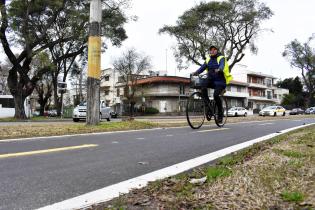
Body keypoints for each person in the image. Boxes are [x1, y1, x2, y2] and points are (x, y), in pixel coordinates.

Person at [192, 46, 232, 123]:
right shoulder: (208, 59)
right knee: (203, 86)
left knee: (216, 95)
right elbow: (202, 67)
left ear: (217, 51)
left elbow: (222, 65)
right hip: (211, 80)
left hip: (220, 81)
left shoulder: (221, 58)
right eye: (211, 50)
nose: (212, 51)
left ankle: (220, 115)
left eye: (214, 50)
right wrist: (196, 72)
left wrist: (219, 69)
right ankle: (208, 105)